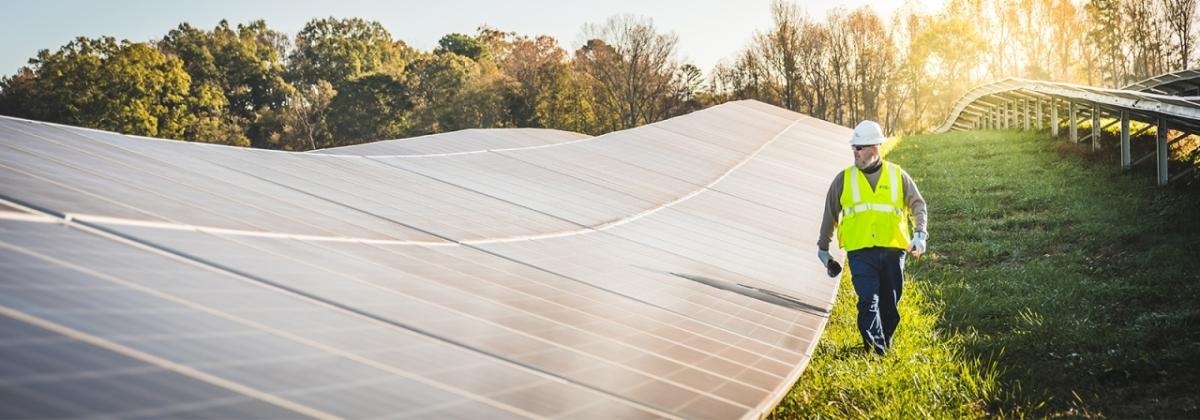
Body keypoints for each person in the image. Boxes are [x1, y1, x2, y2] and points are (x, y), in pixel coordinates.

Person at [816, 120, 928, 355]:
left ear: (875, 148)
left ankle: (884, 342)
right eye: (853, 147)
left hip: (893, 250)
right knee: (868, 301)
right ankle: (877, 351)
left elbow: (918, 205)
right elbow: (830, 215)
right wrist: (823, 248)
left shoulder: (898, 175)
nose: (854, 152)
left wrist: (920, 234)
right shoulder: (843, 179)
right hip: (860, 251)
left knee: (890, 304)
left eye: (859, 147)